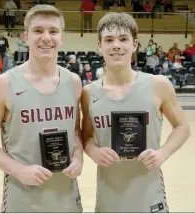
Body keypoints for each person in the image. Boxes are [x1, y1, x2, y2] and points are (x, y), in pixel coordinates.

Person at [0, 4, 83, 213]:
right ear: (25, 37)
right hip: (22, 200)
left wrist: (78, 156)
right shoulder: (3, 84)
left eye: (53, 31)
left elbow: (75, 131)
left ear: (62, 38)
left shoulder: (74, 82)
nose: (46, 37)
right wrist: (19, 170)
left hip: (67, 198)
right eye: (38, 31)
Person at [81, 12, 191, 212]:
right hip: (109, 196)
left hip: (150, 194)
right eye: (109, 40)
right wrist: (94, 151)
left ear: (135, 44)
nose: (116, 45)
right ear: (99, 46)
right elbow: (86, 136)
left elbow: (182, 126)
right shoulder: (89, 93)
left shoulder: (158, 85)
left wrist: (162, 153)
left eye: (123, 39)